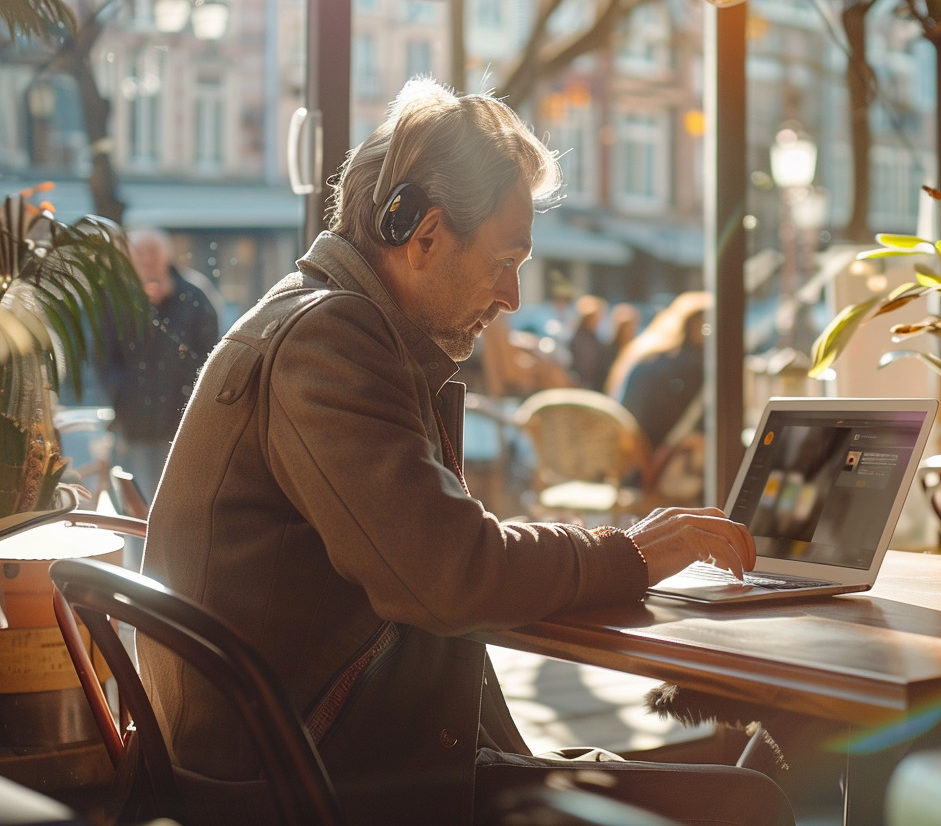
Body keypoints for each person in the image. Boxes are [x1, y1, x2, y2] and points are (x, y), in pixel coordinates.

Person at [139, 78, 794, 826]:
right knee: (745, 803)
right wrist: (631, 553)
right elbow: (450, 573)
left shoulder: (319, 322)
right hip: (322, 790)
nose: (513, 296)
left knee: (716, 789)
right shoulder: (329, 343)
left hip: (325, 760)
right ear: (423, 237)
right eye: (504, 259)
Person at [100, 227, 220, 509]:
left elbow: (211, 354)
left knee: (178, 507)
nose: (146, 259)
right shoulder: (116, 299)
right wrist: (122, 400)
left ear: (167, 256)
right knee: (132, 508)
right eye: (139, 253)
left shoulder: (195, 296)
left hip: (181, 426)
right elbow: (103, 358)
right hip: (133, 427)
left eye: (153, 252)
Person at [610, 292, 709, 450]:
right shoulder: (692, 365)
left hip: (631, 452)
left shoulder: (645, 353)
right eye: (706, 326)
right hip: (659, 459)